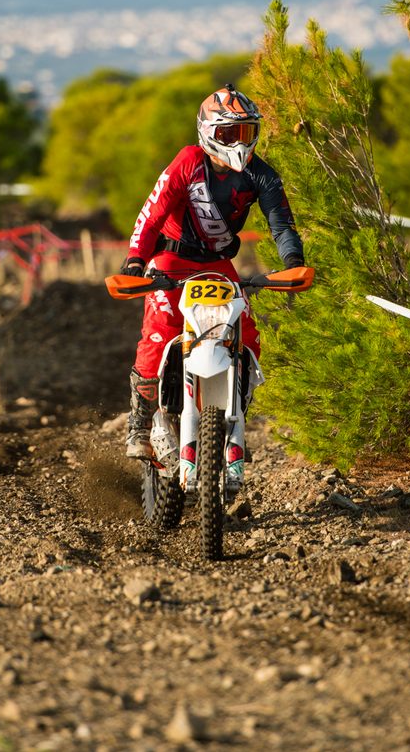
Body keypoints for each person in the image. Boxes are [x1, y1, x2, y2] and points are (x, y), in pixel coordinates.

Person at [120, 83, 306, 479]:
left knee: (248, 335)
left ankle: (234, 415)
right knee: (159, 331)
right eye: (230, 133)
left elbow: (282, 224)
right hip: (170, 260)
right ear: (208, 132)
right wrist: (136, 260)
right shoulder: (188, 162)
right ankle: (139, 423)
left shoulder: (261, 175)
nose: (239, 142)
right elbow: (152, 213)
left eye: (247, 132)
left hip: (219, 266)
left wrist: (293, 261)